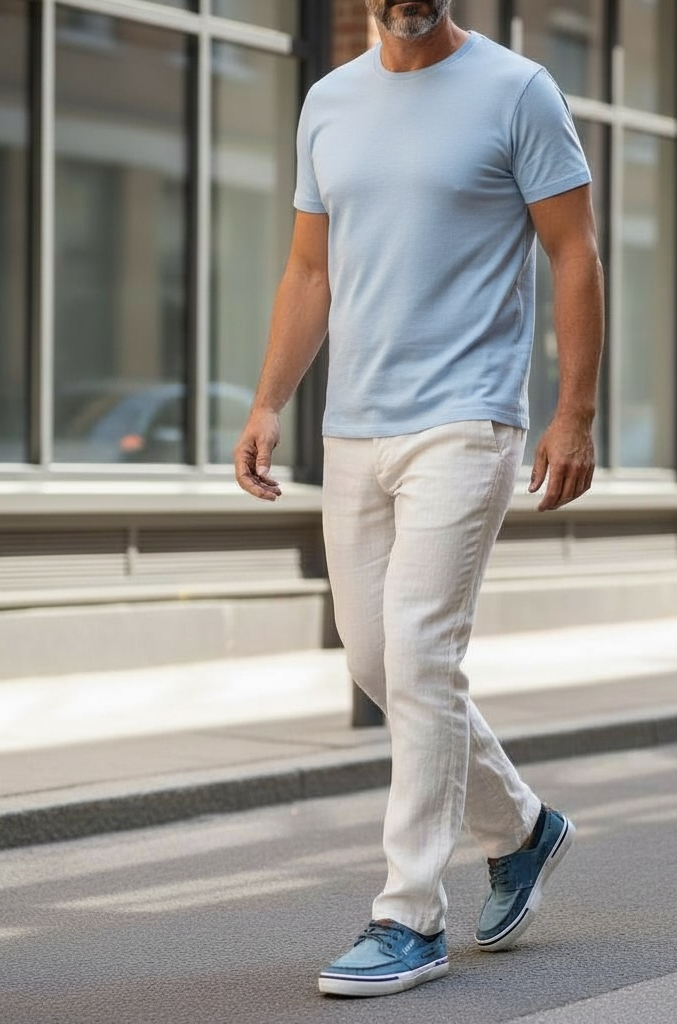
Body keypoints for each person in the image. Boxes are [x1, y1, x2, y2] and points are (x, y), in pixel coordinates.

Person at [234, 0, 604, 999]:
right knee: (379, 662)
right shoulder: (328, 100)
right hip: (354, 424)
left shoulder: (516, 91)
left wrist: (575, 413)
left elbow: (573, 250)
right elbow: (309, 267)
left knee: (420, 651)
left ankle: (408, 915)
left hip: (467, 419)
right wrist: (269, 396)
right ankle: (522, 829)